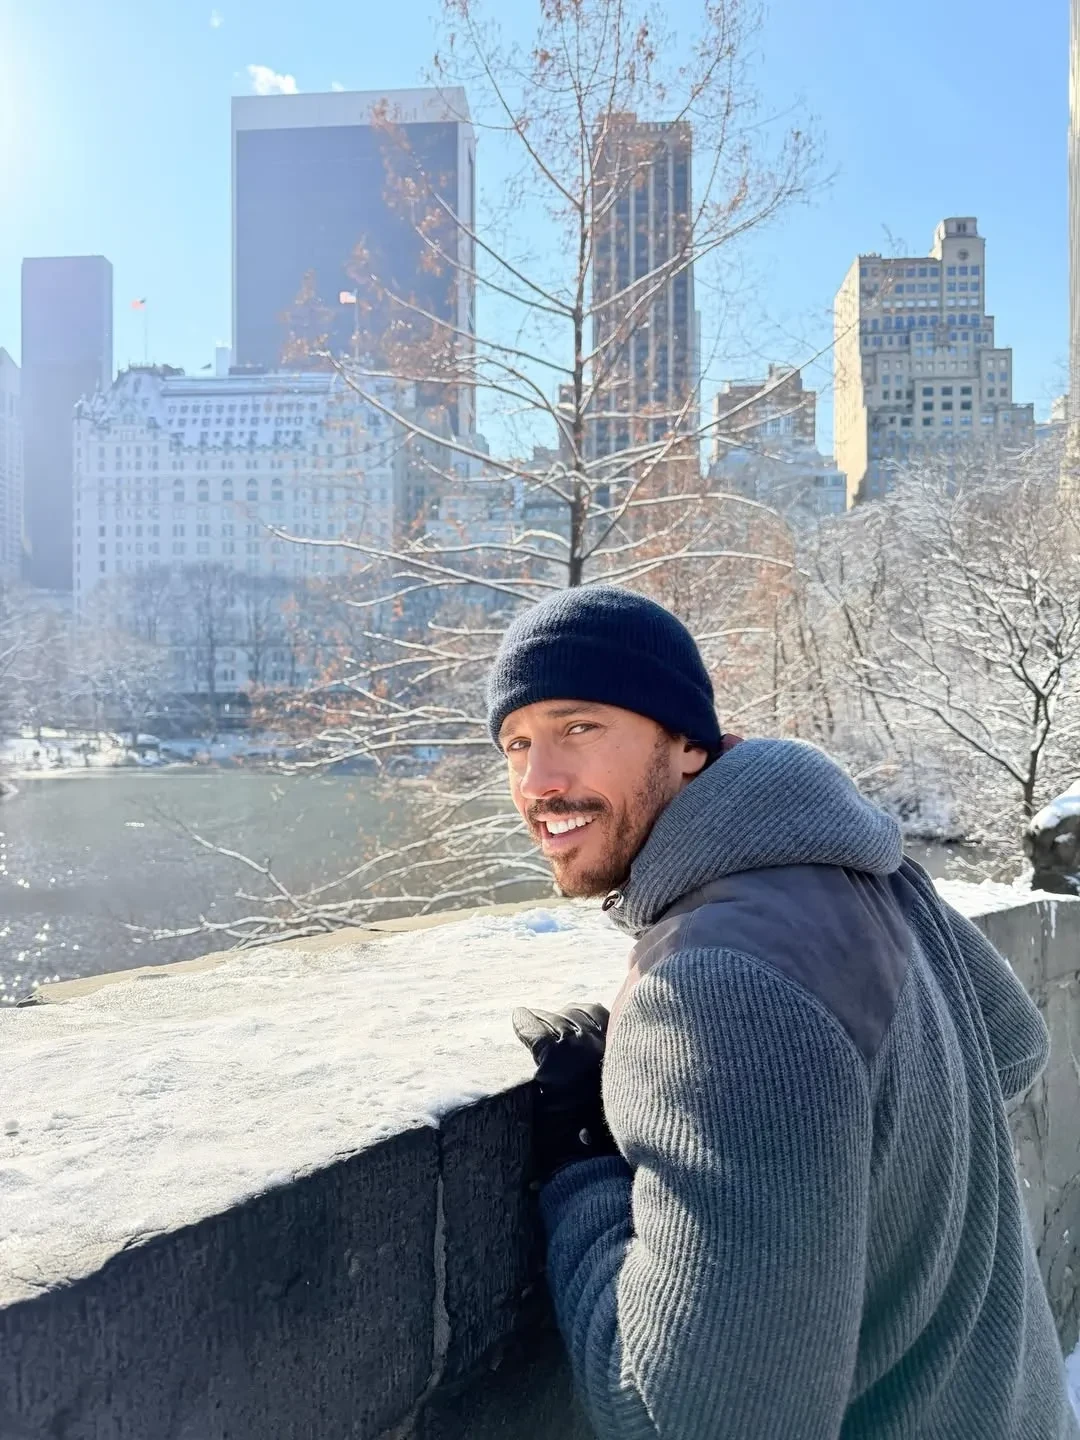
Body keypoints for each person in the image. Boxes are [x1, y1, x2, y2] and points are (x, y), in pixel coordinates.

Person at [486, 585, 1078, 1440]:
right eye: (516, 743)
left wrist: (580, 1159)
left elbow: (678, 1418)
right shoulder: (857, 865)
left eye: (578, 727)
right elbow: (1013, 1045)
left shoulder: (713, 981)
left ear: (687, 743)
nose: (538, 781)